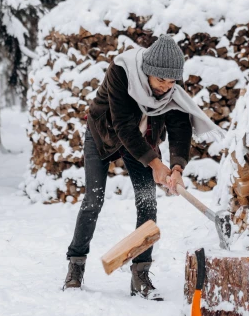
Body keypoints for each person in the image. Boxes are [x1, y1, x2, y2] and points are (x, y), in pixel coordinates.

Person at [63, 34, 223, 300]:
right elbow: (124, 126)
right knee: (93, 199)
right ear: (147, 72)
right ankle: (76, 266)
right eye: (161, 80)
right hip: (104, 134)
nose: (166, 87)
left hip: (144, 140)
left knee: (147, 202)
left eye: (172, 81)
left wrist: (177, 169)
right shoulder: (121, 72)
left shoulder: (170, 88)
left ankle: (140, 275)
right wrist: (156, 164)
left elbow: (180, 127)